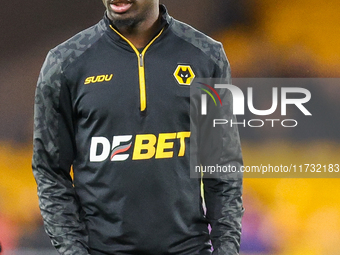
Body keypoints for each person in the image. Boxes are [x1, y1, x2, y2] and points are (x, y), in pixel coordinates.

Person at [32, 0, 244, 254]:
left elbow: (221, 167)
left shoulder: (206, 56)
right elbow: (50, 171)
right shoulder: (65, 63)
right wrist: (73, 250)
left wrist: (226, 249)